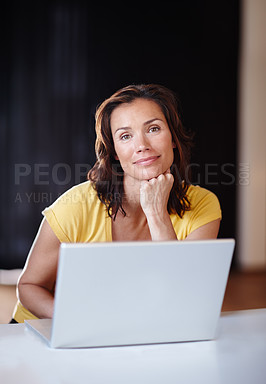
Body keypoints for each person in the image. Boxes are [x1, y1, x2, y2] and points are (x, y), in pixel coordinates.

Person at [11, 84, 221, 323]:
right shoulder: (76, 205)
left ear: (173, 138)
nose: (142, 145)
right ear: (113, 152)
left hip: (130, 327)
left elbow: (184, 297)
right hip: (48, 326)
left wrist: (156, 214)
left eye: (153, 128)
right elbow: (29, 286)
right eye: (125, 136)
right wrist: (74, 321)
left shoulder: (203, 205)